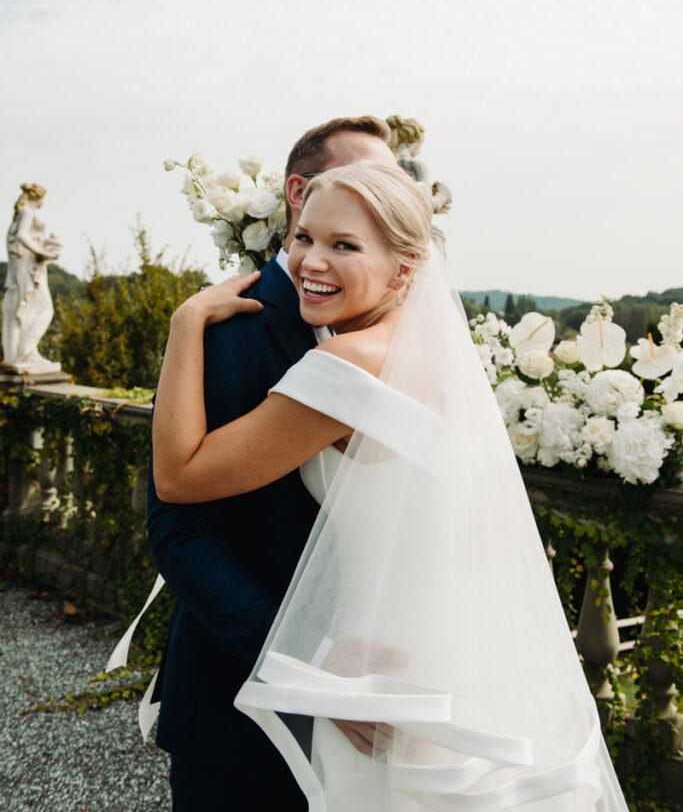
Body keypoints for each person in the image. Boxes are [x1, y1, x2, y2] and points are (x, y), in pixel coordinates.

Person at [154, 163, 629, 812]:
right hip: (451, 661)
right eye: (302, 238)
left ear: (405, 268)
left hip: (376, 671)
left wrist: (185, 325)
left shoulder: (344, 366)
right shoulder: (434, 356)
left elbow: (179, 479)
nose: (308, 262)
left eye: (343, 246)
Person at [145, 117, 396, 810]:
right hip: (244, 708)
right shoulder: (230, 327)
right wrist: (309, 667)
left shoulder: (387, 330)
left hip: (384, 691)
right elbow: (182, 531)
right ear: (297, 192)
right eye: (355, 180)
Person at [2, 183, 62, 373]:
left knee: (24, 310)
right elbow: (22, 236)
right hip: (29, 266)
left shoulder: (21, 212)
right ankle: (28, 351)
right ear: (39, 197)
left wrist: (49, 243)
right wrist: (43, 252)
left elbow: (30, 236)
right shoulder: (28, 211)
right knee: (44, 309)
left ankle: (21, 353)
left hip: (27, 264)